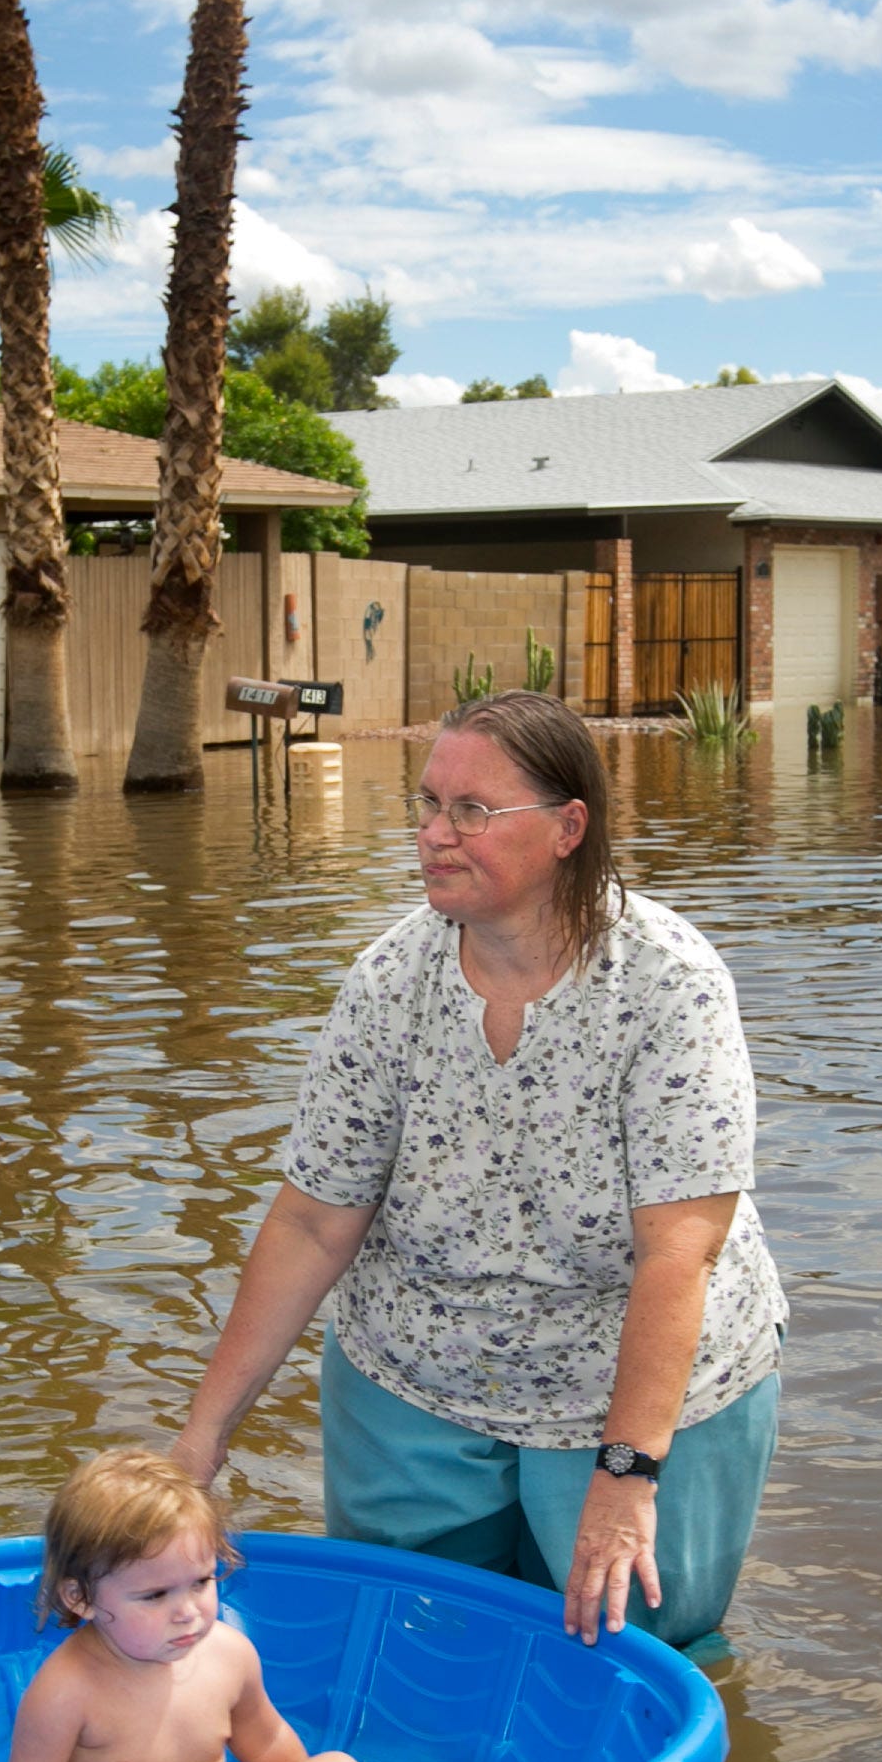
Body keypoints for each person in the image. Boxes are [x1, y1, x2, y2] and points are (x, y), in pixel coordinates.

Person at [172, 692, 785, 1652]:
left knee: (632, 1650)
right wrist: (201, 1438)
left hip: (627, 1388)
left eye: (472, 812)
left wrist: (625, 1478)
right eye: (425, 806)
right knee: (410, 1650)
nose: (434, 836)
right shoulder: (388, 983)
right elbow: (312, 1222)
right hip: (416, 1375)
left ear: (566, 828)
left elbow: (682, 1250)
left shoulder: (670, 983)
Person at [0, 1448, 408, 1762]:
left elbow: (267, 1741)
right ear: (81, 1599)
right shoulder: (67, 1690)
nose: (187, 1611)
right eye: (156, 1596)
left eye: (201, 1582)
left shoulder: (228, 1654)